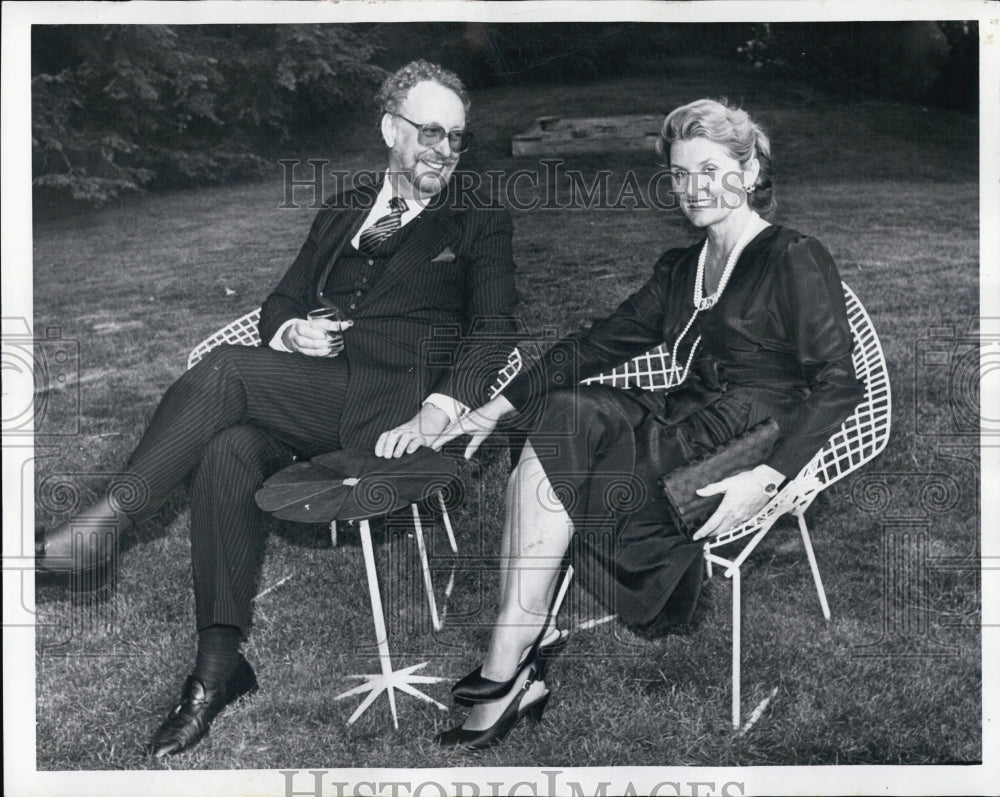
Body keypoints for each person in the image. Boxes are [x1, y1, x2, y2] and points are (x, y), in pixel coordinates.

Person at [34, 60, 518, 757]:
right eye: (430, 131)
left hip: (391, 409)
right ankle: (217, 669)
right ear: (390, 129)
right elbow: (282, 302)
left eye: (457, 137)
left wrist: (441, 410)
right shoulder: (345, 206)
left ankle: (103, 528)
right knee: (228, 449)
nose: (444, 149)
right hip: (312, 392)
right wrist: (294, 332)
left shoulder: (479, 217)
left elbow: (495, 328)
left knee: (227, 371)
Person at [430, 98, 865, 749]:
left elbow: (838, 384)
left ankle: (507, 668)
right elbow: (594, 343)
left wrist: (769, 478)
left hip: (746, 444)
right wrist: (495, 406)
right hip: (684, 417)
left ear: (749, 173)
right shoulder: (681, 267)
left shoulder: (794, 257)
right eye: (682, 175)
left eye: (712, 170)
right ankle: (520, 643)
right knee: (559, 415)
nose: (695, 189)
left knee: (582, 468)